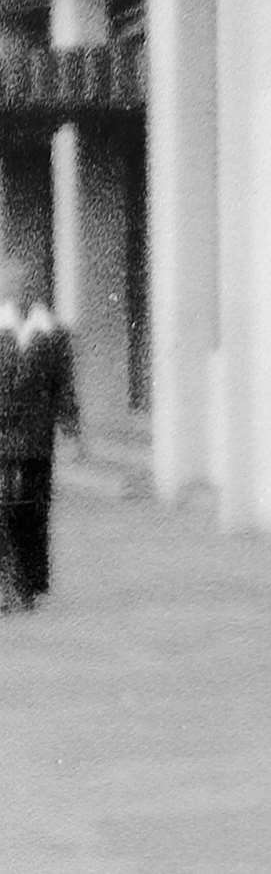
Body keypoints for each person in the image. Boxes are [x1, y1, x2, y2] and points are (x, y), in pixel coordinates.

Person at [0, 259, 81, 614]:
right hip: (2, 434)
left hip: (35, 436)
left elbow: (64, 385)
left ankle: (30, 582)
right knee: (3, 508)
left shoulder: (54, 333)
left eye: (24, 284)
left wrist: (73, 429)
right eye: (12, 284)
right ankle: (7, 583)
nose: (18, 291)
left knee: (32, 509)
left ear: (36, 290)